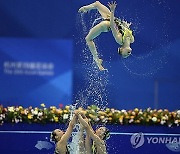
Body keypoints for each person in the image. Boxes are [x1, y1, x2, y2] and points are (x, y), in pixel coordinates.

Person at [79, 1, 134, 71]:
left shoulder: (120, 40)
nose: (128, 54)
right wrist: (126, 25)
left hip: (105, 25)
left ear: (121, 49)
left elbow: (112, 25)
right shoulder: (132, 39)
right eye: (127, 55)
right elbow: (123, 28)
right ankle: (86, 8)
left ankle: (96, 59)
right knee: (97, 4)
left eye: (125, 55)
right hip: (114, 20)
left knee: (88, 39)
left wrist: (112, 11)